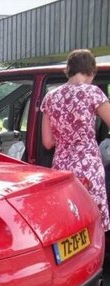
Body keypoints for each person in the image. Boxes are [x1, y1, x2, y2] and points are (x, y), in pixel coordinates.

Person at [41, 49, 110, 230]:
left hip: (61, 170)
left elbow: (47, 142)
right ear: (92, 71)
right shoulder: (92, 92)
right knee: (92, 225)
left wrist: (66, 135)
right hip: (89, 168)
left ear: (69, 70)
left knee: (68, 223)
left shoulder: (50, 97)